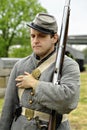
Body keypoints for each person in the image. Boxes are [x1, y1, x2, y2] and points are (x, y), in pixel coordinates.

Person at [0, 13, 80, 130]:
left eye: (41, 36)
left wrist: (35, 84)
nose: (35, 40)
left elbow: (69, 100)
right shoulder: (20, 65)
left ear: (54, 38)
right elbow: (9, 107)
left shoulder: (69, 65)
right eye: (33, 36)